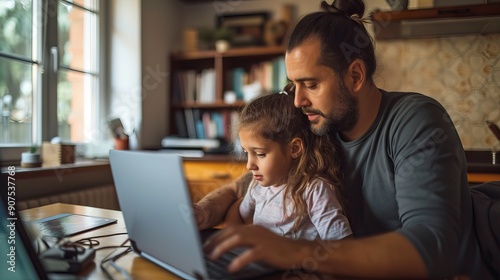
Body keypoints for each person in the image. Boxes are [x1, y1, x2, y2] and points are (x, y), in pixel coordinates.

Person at [196, 0, 492, 279]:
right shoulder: (320, 125)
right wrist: (201, 212)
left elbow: (432, 249)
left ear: (355, 76)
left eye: (310, 84)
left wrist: (296, 252)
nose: (297, 100)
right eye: (294, 85)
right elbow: (248, 184)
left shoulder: (416, 120)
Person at [224, 92, 351, 241]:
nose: (249, 165)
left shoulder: (314, 190)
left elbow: (342, 246)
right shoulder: (257, 186)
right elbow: (239, 214)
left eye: (260, 154)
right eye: (247, 152)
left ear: (295, 148)